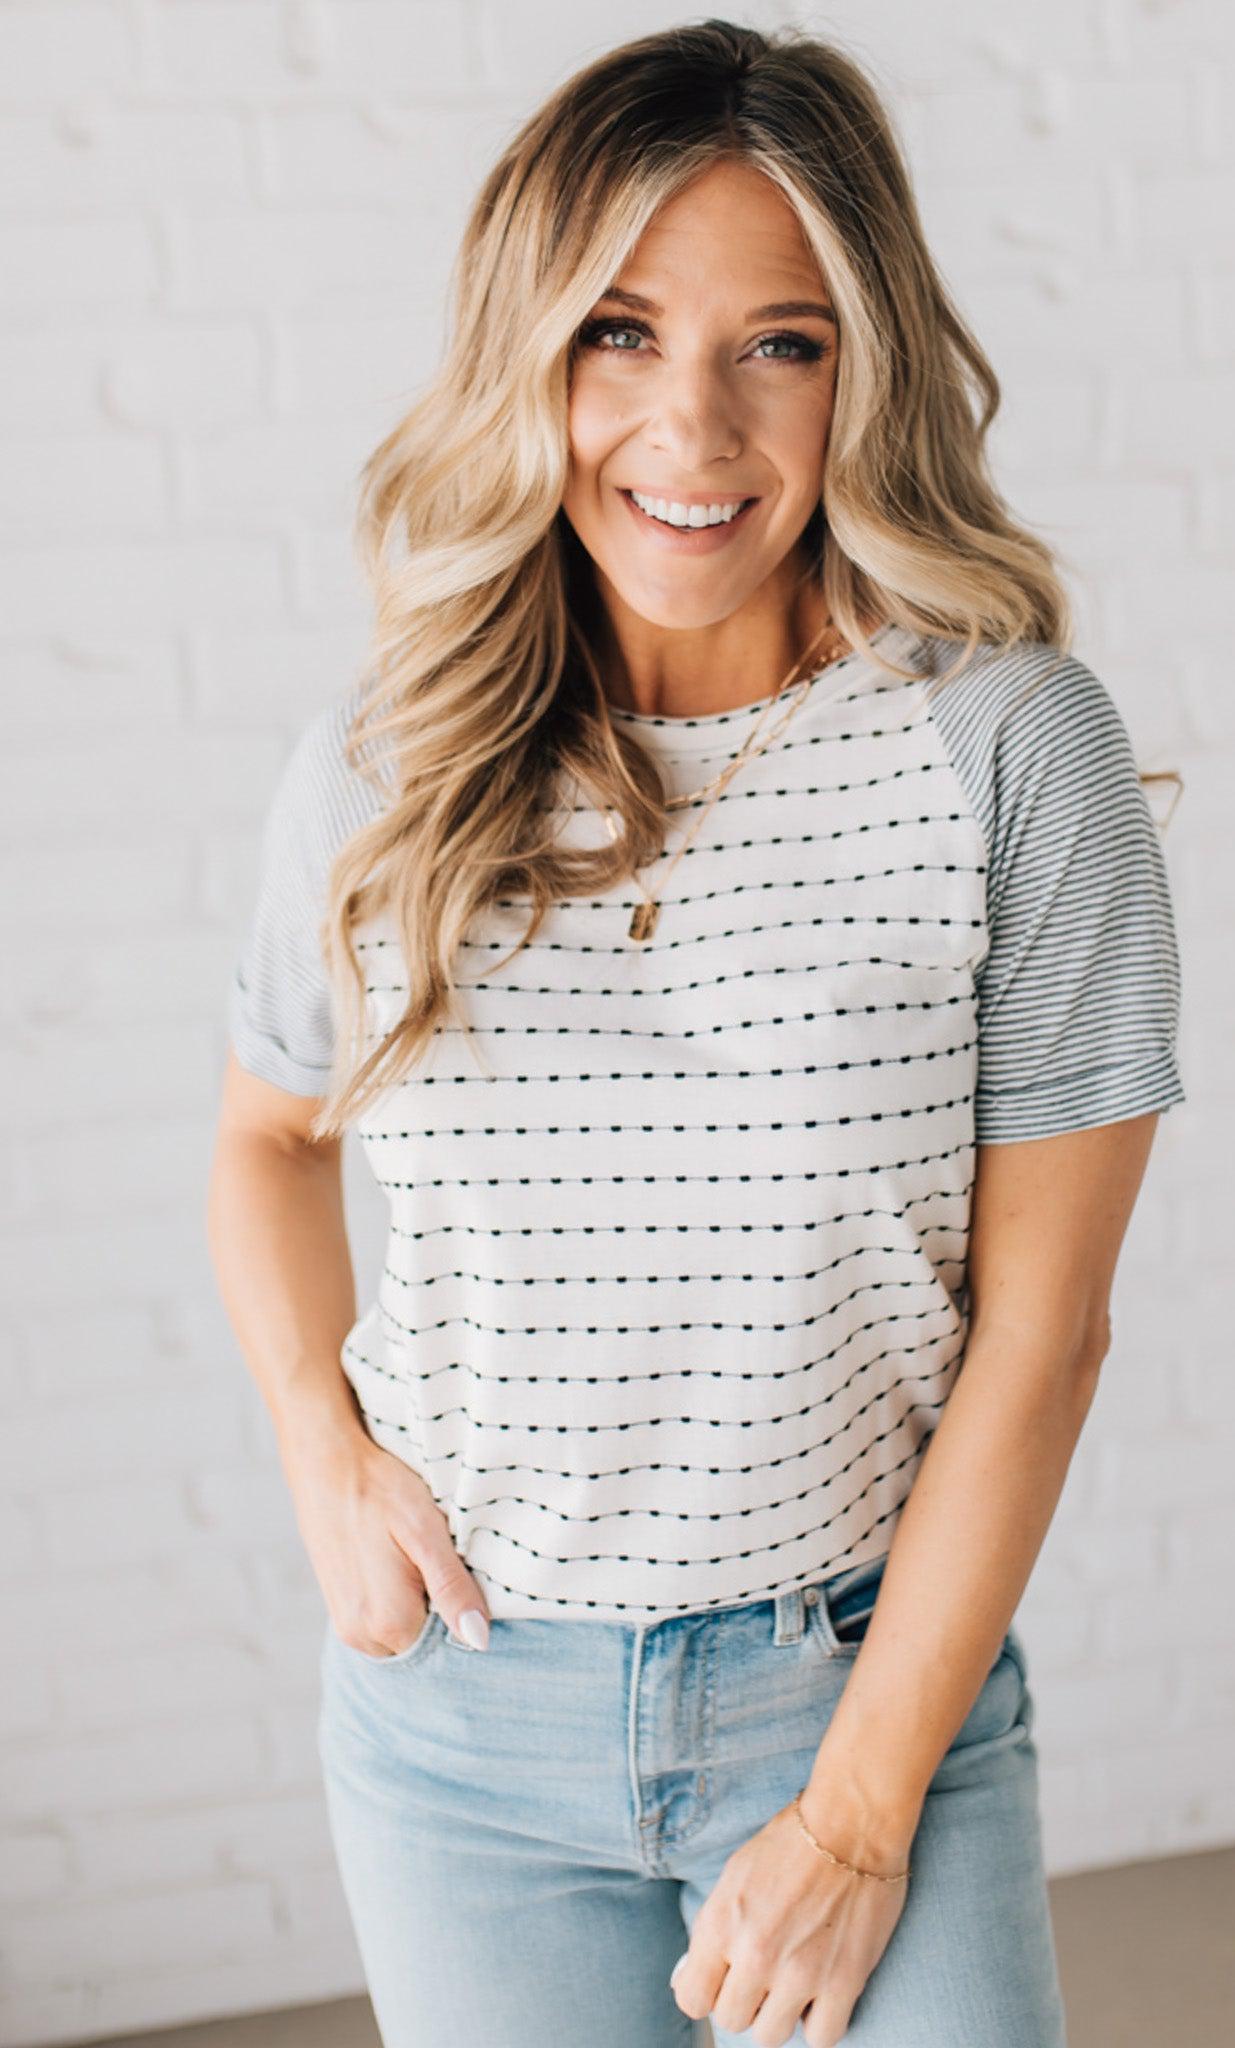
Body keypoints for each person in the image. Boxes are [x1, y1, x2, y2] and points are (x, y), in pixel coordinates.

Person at [206, 21, 1185, 2048]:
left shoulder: (1003, 747)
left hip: (856, 1699)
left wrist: (849, 1811)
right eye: (621, 334)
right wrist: (319, 1444)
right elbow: (267, 1137)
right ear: (530, 352)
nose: (693, 425)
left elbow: (1044, 1330)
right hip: (463, 1735)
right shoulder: (385, 764)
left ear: (867, 366)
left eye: (782, 342)